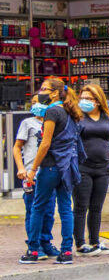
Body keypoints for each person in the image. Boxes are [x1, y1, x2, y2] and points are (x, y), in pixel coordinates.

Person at [20, 77, 84, 265]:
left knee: (38, 207)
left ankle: (33, 250)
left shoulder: (52, 112)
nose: (40, 92)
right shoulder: (70, 111)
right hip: (67, 167)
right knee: (65, 208)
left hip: (50, 166)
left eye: (44, 89)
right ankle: (66, 251)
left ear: (55, 93)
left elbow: (45, 143)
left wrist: (33, 169)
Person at [73, 84, 109, 255]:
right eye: (82, 98)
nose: (84, 101)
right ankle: (80, 244)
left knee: (96, 207)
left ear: (98, 100)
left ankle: (95, 242)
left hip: (103, 168)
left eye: (88, 98)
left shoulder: (108, 117)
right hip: (82, 167)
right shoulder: (77, 117)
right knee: (81, 206)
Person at [13, 99, 59, 259]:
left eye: (39, 101)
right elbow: (17, 147)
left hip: (49, 172)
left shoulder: (53, 122)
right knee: (32, 209)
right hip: (31, 175)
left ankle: (46, 242)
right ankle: (34, 245)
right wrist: (21, 168)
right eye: (33, 102)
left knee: (49, 211)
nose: (36, 104)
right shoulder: (27, 123)